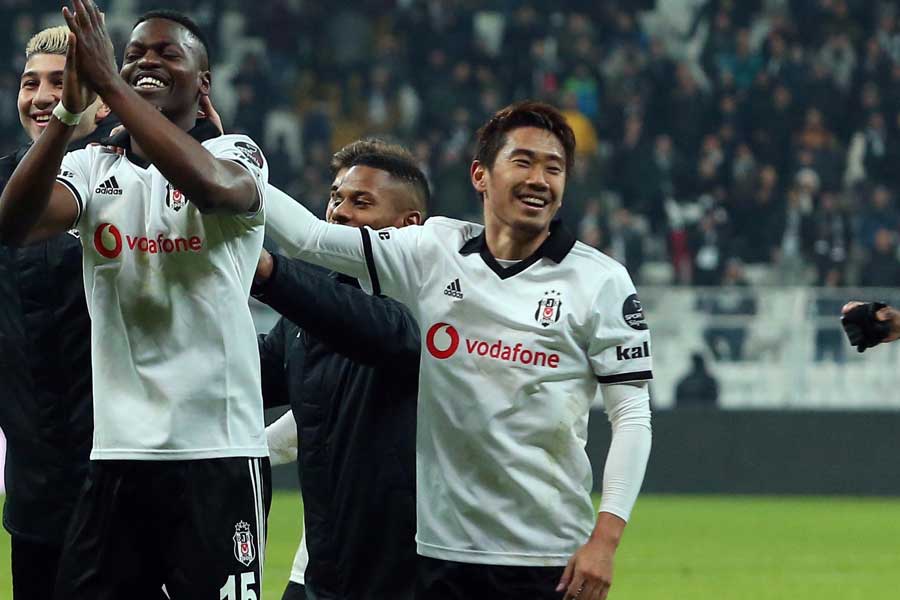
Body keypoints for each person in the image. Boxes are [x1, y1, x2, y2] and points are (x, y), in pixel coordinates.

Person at [264, 100, 653, 600]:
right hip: (438, 558)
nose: (539, 179)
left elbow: (632, 416)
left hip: (547, 556)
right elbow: (310, 238)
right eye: (523, 161)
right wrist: (224, 159)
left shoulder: (601, 281)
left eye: (554, 168)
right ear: (480, 175)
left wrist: (605, 539)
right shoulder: (435, 252)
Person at [0, 4, 270, 598]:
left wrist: (113, 87)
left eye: (168, 53)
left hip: (216, 452)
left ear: (204, 82)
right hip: (116, 457)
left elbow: (213, 188)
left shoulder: (239, 152)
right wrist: (68, 115)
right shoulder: (90, 165)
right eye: (133, 55)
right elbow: (14, 225)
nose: (147, 61)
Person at [258, 140, 425, 600]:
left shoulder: (426, 301)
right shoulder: (310, 309)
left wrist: (221, 164)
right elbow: (251, 377)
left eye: (361, 202)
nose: (340, 212)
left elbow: (367, 332)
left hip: (408, 571)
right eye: (336, 198)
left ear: (409, 224)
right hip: (323, 564)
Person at [0, 25, 115, 600]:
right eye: (30, 83)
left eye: (61, 81)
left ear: (102, 99)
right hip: (35, 494)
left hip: (125, 487)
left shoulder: (136, 181)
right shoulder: (3, 192)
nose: (43, 96)